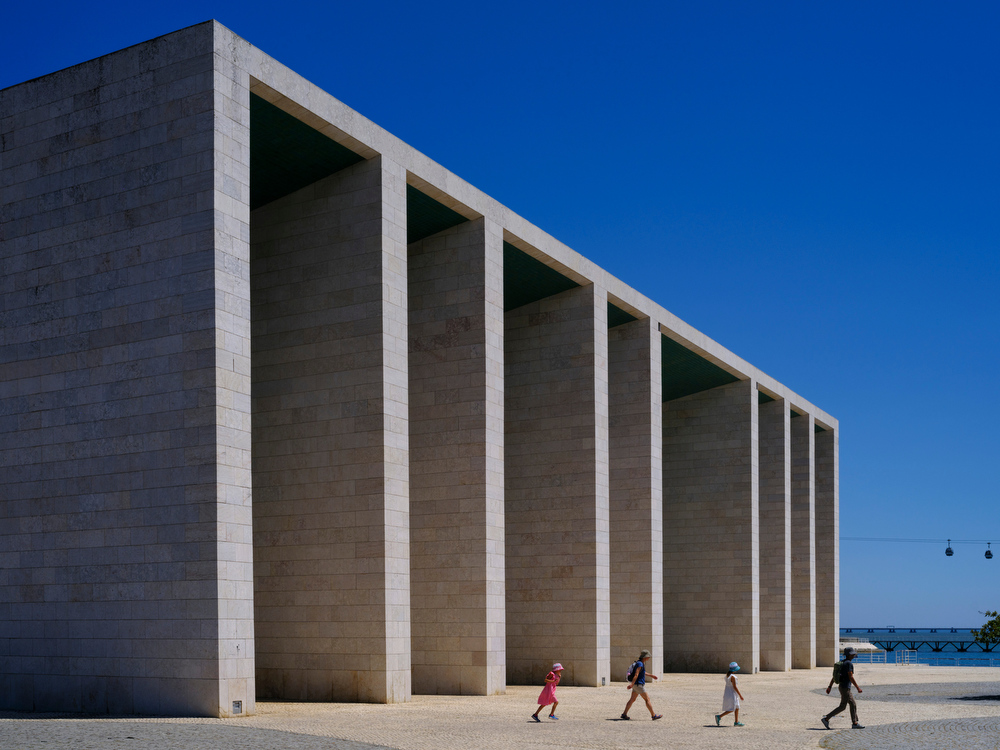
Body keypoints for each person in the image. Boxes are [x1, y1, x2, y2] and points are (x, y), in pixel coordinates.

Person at [821, 646, 865, 729]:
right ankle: (826, 719)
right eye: (852, 654)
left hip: (842, 687)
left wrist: (830, 686)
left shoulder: (842, 663)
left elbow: (834, 676)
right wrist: (858, 688)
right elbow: (851, 676)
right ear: (848, 655)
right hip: (845, 688)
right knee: (843, 706)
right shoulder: (849, 664)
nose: (853, 656)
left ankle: (855, 722)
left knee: (852, 704)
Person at [621, 650, 662, 720]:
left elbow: (643, 672)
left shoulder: (639, 663)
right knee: (647, 699)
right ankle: (653, 715)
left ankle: (624, 714)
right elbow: (636, 674)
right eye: (648, 656)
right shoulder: (640, 664)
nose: (649, 658)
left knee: (632, 699)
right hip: (639, 685)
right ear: (645, 657)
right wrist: (632, 684)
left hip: (636, 685)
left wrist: (652, 676)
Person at [715, 661, 745, 726]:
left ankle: (736, 722)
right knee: (732, 708)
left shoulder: (727, 676)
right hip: (732, 694)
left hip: (729, 692)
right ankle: (719, 716)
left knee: (737, 707)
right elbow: (734, 686)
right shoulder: (733, 677)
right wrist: (740, 695)